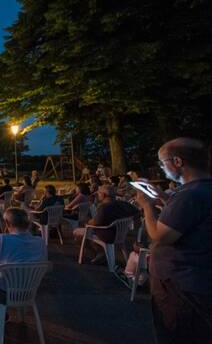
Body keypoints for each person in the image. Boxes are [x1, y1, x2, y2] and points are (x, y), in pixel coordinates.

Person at [134, 137, 212, 343]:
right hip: (200, 280)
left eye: (163, 162)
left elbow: (161, 236)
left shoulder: (189, 195)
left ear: (178, 162)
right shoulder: (201, 190)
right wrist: (165, 199)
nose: (162, 168)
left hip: (181, 286)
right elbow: (189, 218)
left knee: (178, 335)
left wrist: (147, 207)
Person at [73, 185, 139, 264]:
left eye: (99, 194)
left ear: (103, 195)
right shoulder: (124, 204)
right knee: (89, 231)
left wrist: (87, 222)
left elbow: (95, 223)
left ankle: (100, 252)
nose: (98, 195)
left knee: (77, 232)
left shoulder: (104, 207)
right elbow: (138, 213)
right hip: (121, 234)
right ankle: (101, 253)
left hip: (107, 235)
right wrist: (127, 222)